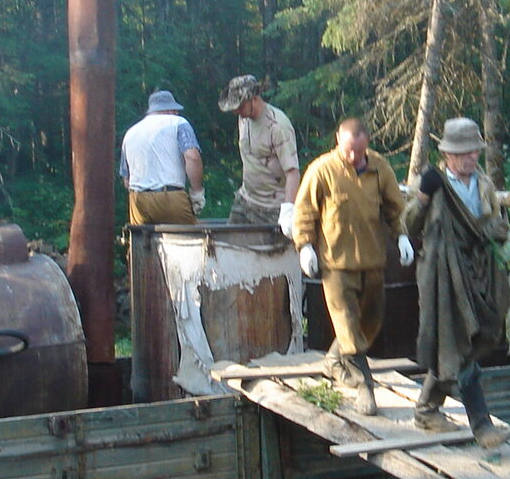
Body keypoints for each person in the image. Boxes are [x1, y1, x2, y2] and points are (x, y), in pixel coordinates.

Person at [404, 118, 510, 447]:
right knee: (455, 343)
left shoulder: (483, 183)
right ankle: (482, 425)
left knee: (479, 335)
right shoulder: (433, 182)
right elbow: (409, 224)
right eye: (464, 153)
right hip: (442, 275)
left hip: (477, 272)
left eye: (475, 152)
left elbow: (496, 222)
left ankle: (427, 408)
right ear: (449, 155)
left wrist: (497, 230)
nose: (471, 158)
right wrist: (423, 198)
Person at [293, 119, 413, 415]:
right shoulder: (322, 170)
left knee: (369, 321)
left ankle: (334, 361)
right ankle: (364, 385)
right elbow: (304, 210)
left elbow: (395, 208)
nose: (353, 157)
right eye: (348, 150)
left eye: (359, 152)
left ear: (367, 143)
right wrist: (305, 245)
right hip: (335, 263)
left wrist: (402, 237)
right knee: (346, 321)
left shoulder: (379, 168)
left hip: (372, 260)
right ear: (338, 141)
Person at [218, 75, 300, 235]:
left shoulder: (277, 126)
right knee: (229, 246)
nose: (236, 111)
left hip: (273, 206)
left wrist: (288, 209)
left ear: (254, 98)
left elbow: (293, 172)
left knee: (270, 255)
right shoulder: (243, 119)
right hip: (245, 200)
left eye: (240, 106)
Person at [119, 90, 204, 225]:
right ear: (170, 110)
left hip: (137, 201)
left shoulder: (131, 132)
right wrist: (197, 192)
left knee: (142, 242)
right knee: (192, 239)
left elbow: (126, 181)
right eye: (176, 110)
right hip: (169, 198)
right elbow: (192, 157)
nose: (177, 113)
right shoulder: (178, 123)